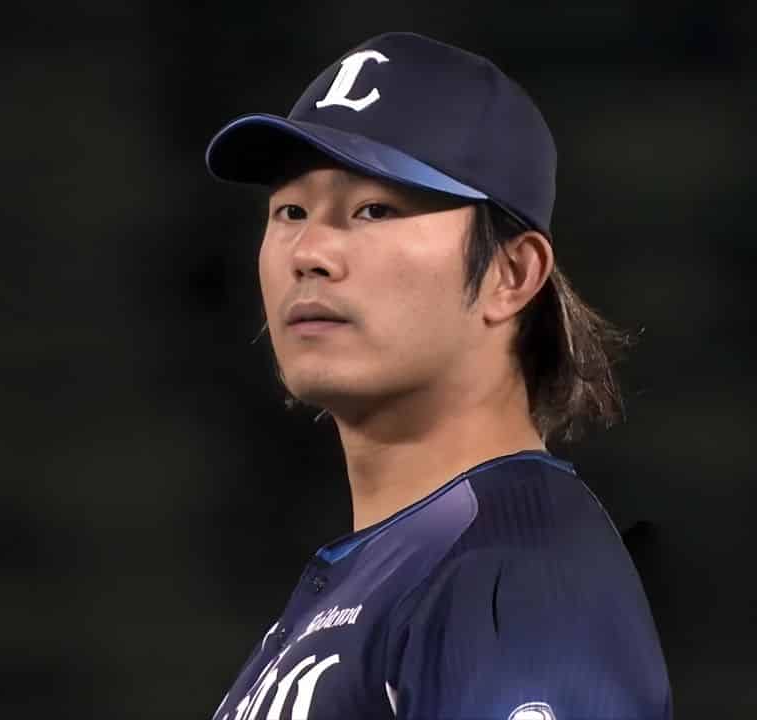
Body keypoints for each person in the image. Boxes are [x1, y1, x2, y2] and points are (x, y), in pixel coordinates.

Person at [202, 32, 671, 720]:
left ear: (512, 275)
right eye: (290, 212)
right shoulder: (392, 570)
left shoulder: (514, 574)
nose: (309, 252)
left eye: (374, 210)